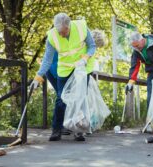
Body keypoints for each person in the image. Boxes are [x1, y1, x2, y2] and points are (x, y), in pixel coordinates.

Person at [32, 13, 96, 141]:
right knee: (61, 99)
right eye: (59, 31)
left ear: (69, 25)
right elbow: (47, 59)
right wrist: (38, 76)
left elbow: (92, 46)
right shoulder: (52, 35)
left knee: (80, 98)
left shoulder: (81, 27)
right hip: (64, 69)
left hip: (82, 67)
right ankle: (56, 130)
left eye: (64, 31)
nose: (61, 34)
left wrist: (85, 58)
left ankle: (78, 130)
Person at [45, 30, 106, 136]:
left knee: (76, 99)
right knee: (62, 97)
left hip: (71, 74)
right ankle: (58, 128)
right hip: (55, 71)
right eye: (95, 45)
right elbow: (55, 63)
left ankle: (74, 127)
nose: (94, 49)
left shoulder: (87, 49)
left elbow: (85, 64)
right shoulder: (75, 43)